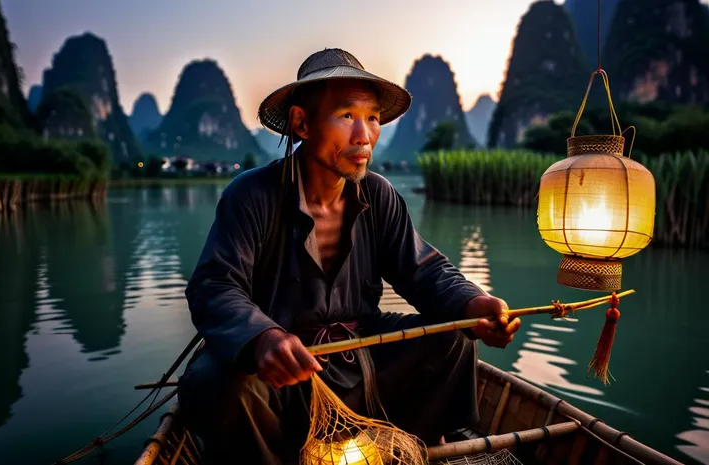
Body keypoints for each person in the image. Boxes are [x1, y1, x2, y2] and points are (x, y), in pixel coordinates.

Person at [177, 48, 521, 465]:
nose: (364, 135)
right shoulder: (252, 196)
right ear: (302, 123)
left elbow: (425, 271)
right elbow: (215, 285)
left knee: (453, 337)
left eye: (373, 117)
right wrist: (262, 337)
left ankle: (418, 450)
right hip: (285, 372)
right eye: (346, 115)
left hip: (360, 357)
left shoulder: (378, 195)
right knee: (215, 384)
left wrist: (472, 302)